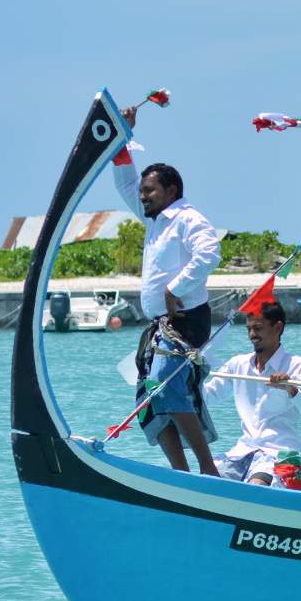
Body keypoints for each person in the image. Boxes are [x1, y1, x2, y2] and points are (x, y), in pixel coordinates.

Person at [113, 115, 221, 475]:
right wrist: (120, 137)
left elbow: (210, 255)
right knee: (147, 401)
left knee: (166, 388)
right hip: (160, 326)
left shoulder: (188, 218)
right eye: (143, 191)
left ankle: (208, 468)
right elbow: (125, 184)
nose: (142, 196)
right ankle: (181, 474)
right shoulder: (154, 219)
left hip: (185, 321)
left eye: (150, 191)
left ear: (171, 191)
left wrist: (175, 289)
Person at [202, 299, 301, 487]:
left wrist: (292, 390)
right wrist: (192, 376)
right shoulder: (237, 364)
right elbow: (207, 396)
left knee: (257, 486)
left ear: (278, 328)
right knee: (207, 481)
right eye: (249, 329)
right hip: (243, 451)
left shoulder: (298, 365)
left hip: (281, 452)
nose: (252, 335)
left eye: (258, 328)